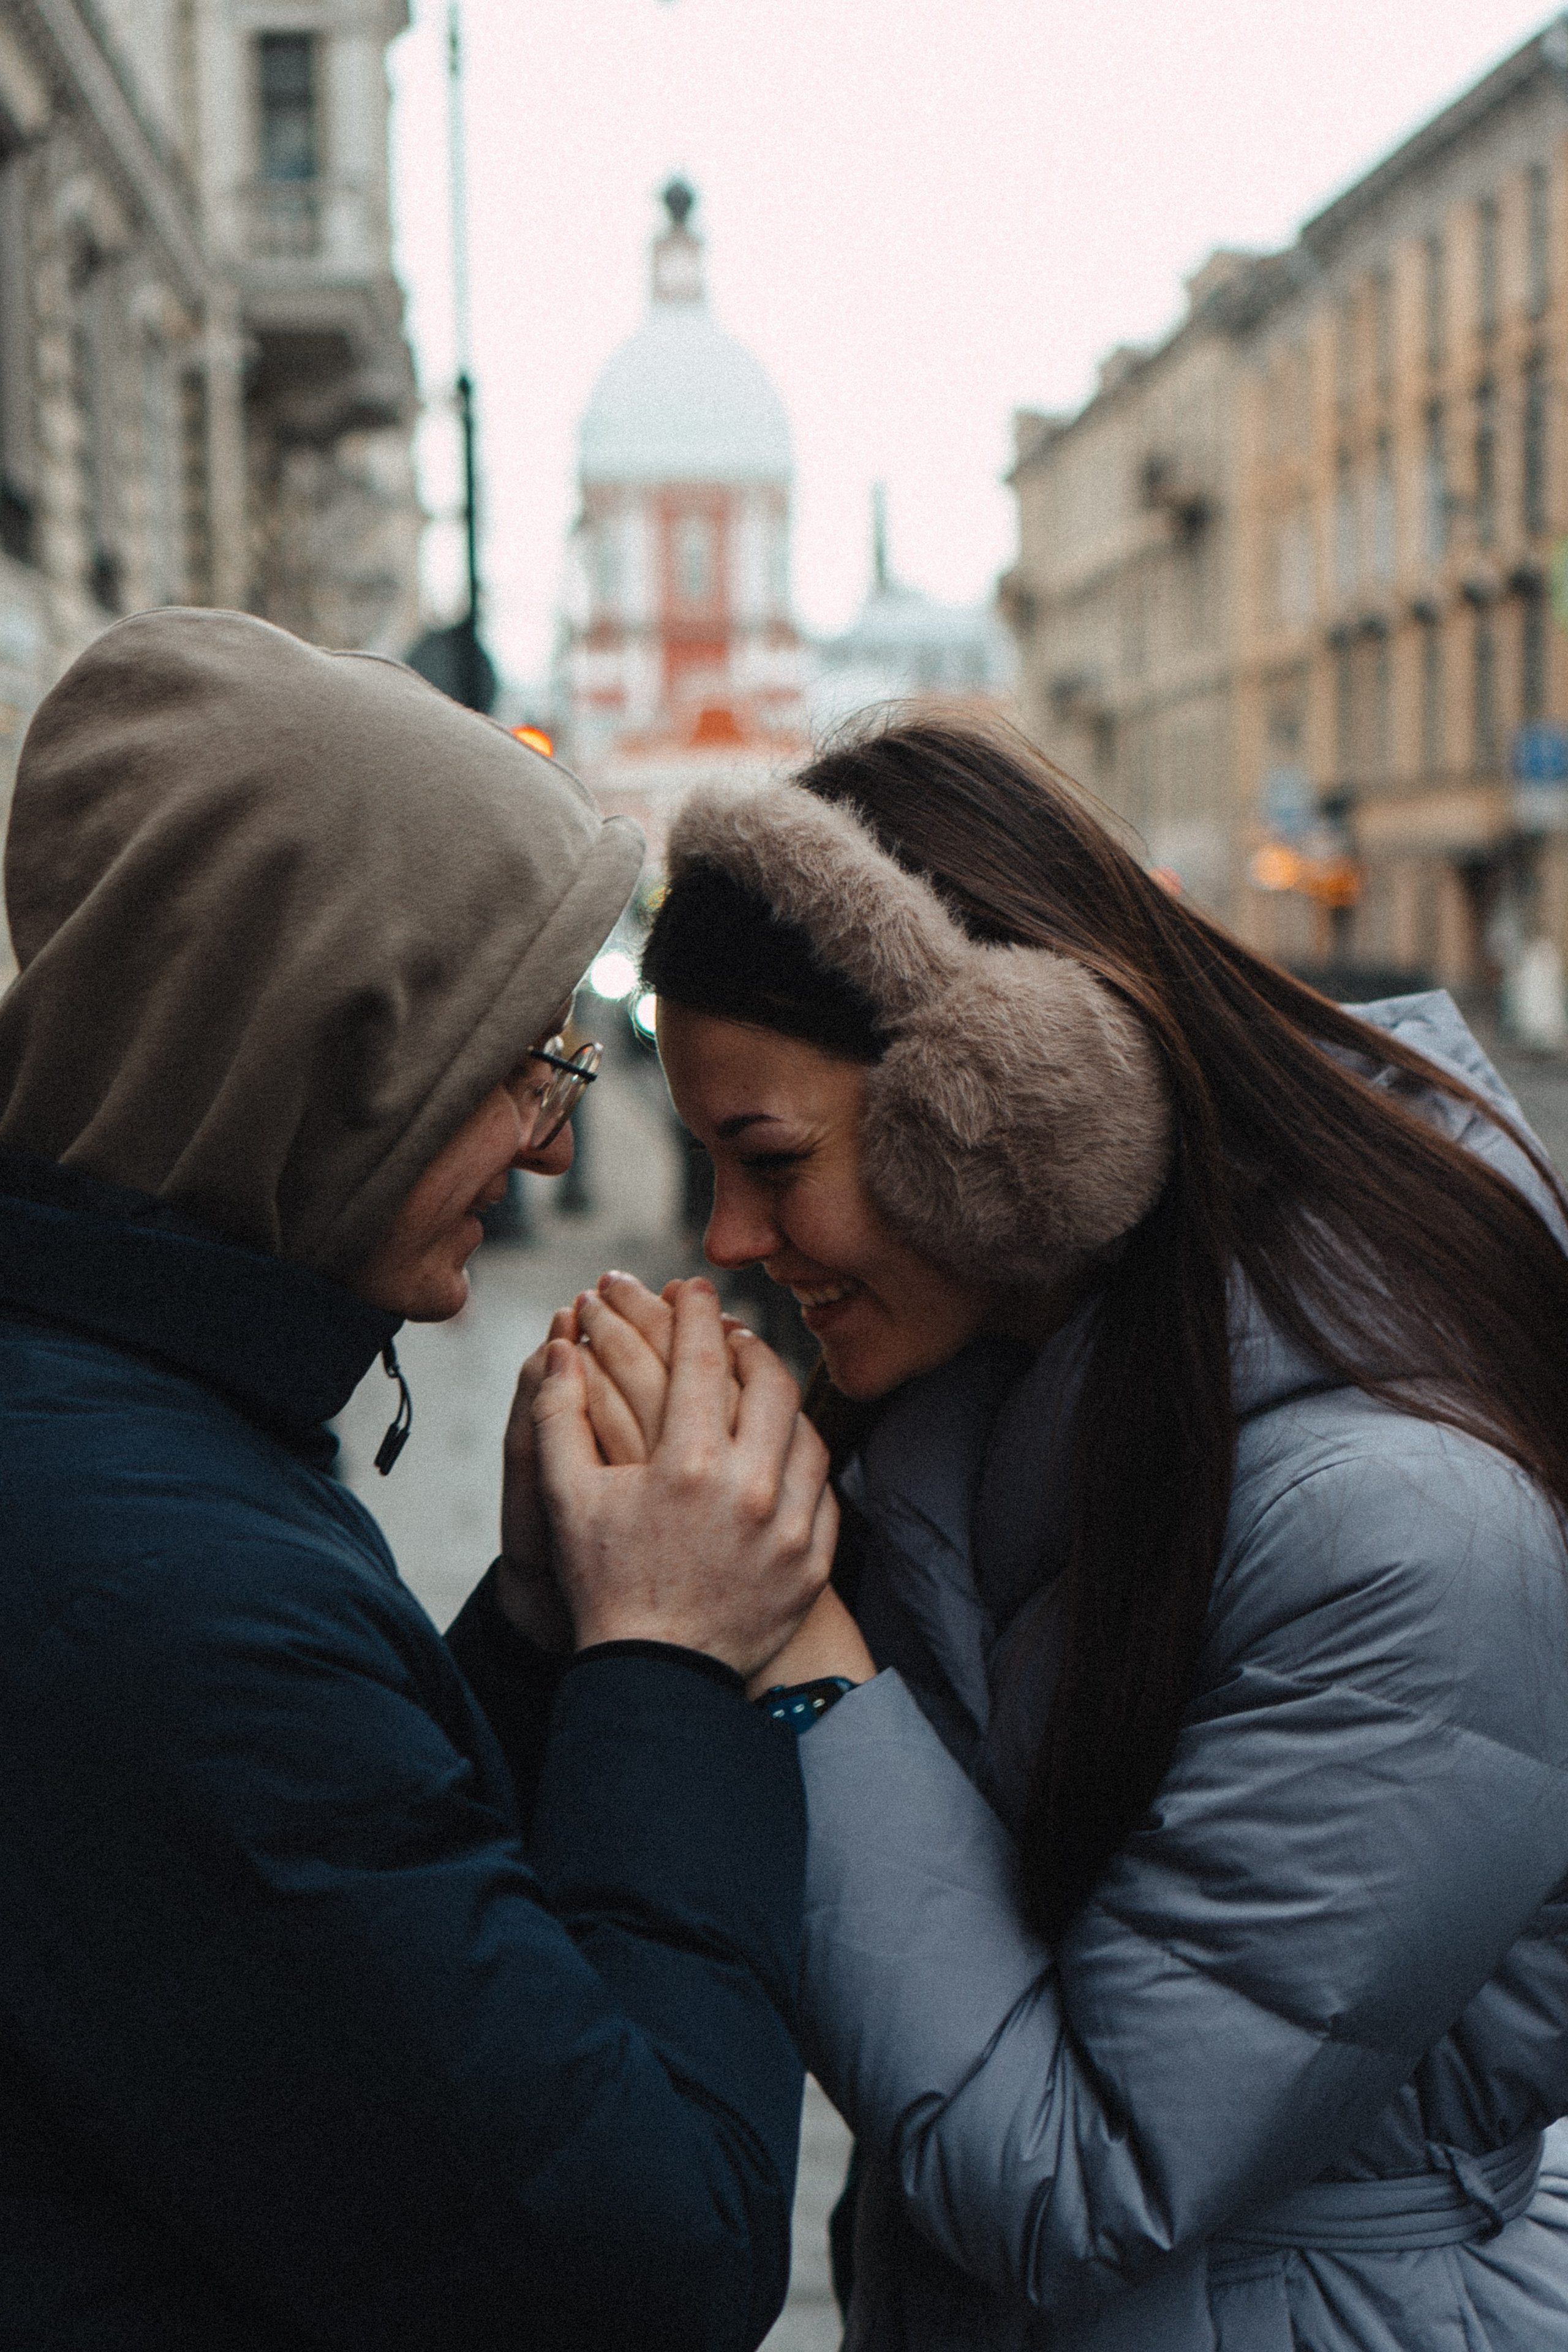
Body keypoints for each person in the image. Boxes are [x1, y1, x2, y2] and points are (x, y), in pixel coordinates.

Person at [561, 715, 1568, 2351]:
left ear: (1001, 1114)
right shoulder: (995, 1387)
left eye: (769, 1163)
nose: (732, 1238)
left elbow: (1075, 2183)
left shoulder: (1411, 1544)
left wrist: (794, 1643)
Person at [0, 608, 839, 2352]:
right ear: (333, 1061)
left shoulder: (128, 1419)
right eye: (520, 1068)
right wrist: (670, 1660)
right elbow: (641, 2266)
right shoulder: (153, 1584)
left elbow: (335, 1977)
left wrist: (535, 1637)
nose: (553, 1140)